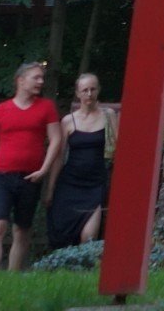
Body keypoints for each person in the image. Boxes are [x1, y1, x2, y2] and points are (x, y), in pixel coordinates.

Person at [0, 61, 62, 273]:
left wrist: (44, 170)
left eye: (42, 78)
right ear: (20, 81)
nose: (41, 81)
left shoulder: (46, 107)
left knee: (22, 229)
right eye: (36, 77)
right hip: (1, 176)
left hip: (31, 177)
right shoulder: (1, 110)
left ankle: (12, 277)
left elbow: (56, 141)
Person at [44, 72, 115, 248]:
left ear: (98, 90)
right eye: (84, 90)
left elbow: (117, 148)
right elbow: (59, 157)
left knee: (89, 237)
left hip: (95, 183)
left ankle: (86, 272)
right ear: (78, 93)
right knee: (63, 232)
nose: (89, 94)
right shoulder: (68, 121)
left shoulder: (109, 116)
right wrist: (51, 189)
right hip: (70, 183)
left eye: (92, 89)